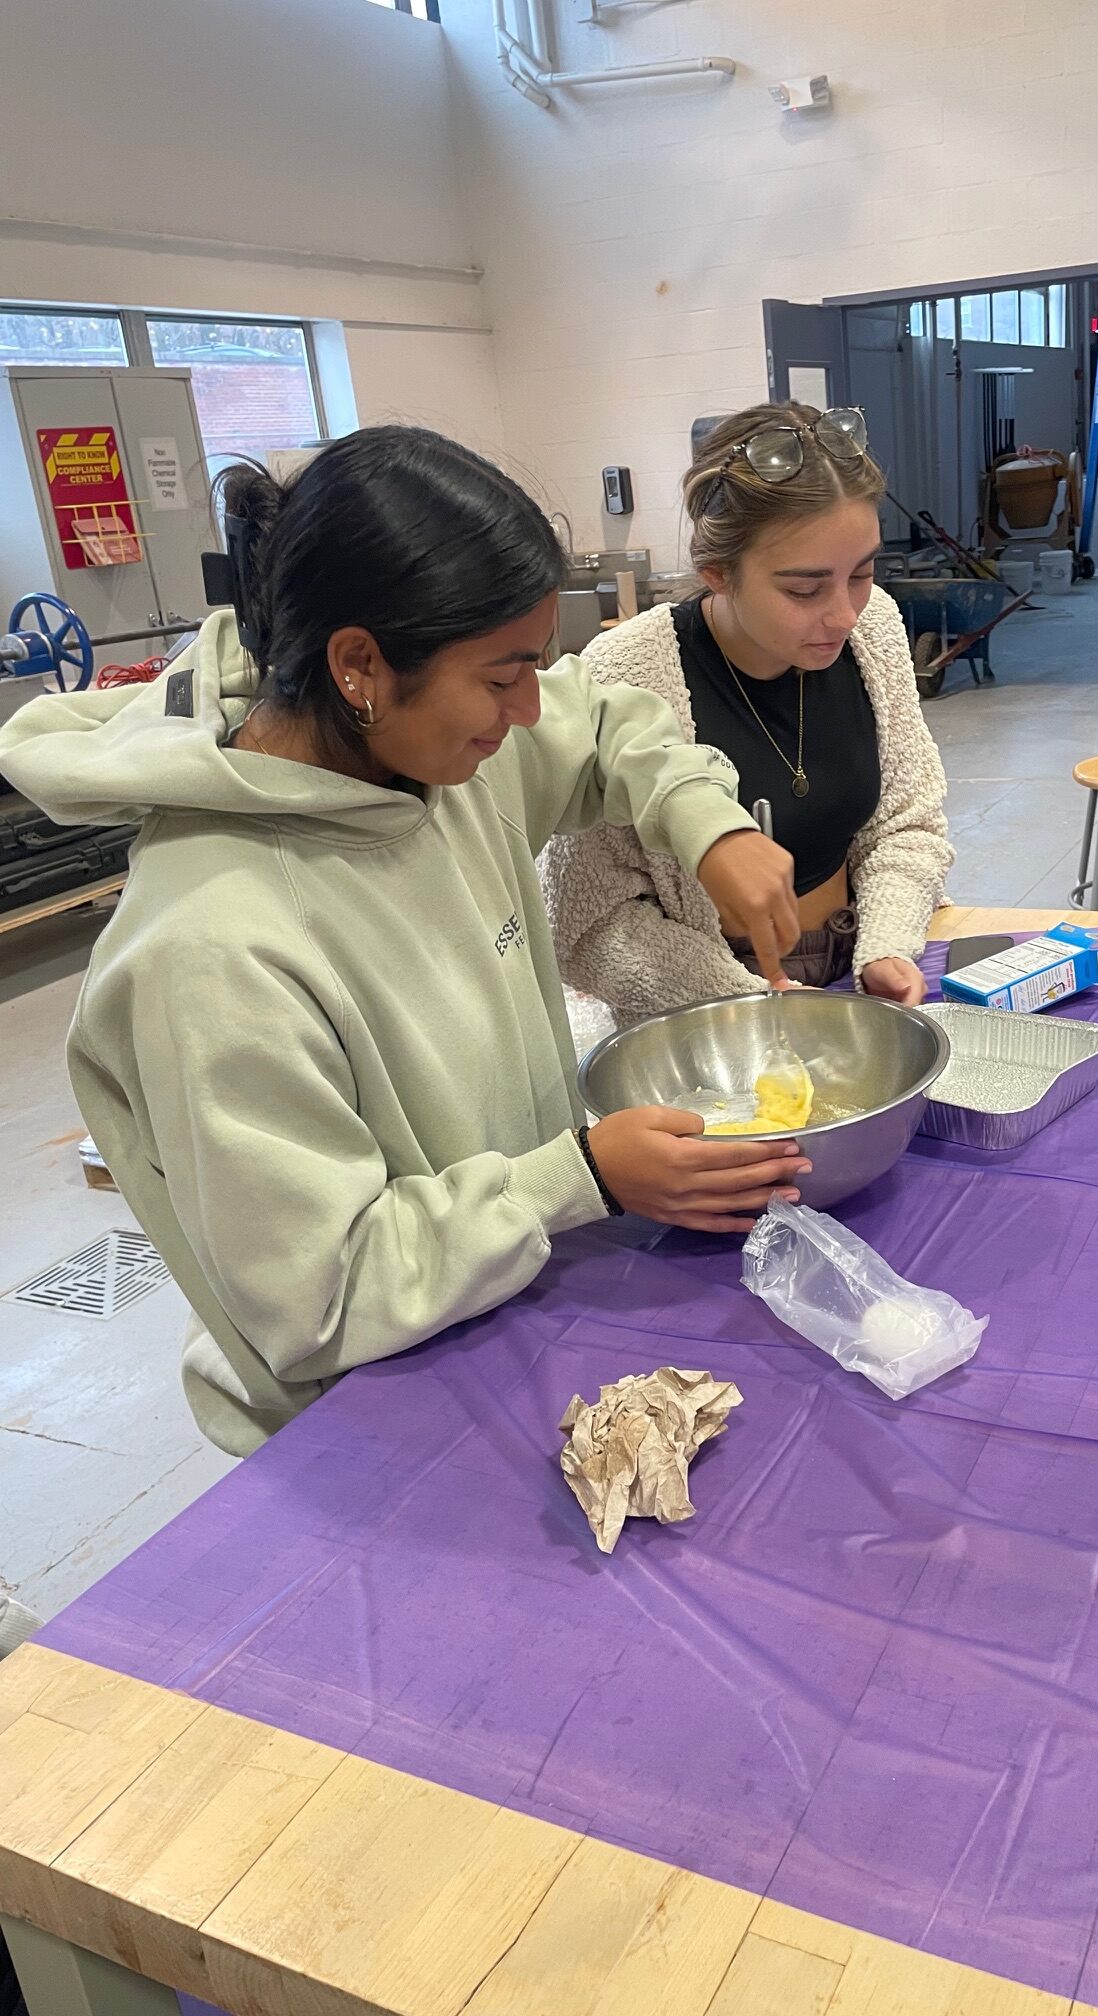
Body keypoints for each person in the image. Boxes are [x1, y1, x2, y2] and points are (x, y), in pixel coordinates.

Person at [0, 427, 813, 1458]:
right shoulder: (213, 945)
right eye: (502, 676)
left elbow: (606, 721)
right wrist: (582, 1178)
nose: (526, 713)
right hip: (369, 1417)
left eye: (535, 668)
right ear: (358, 665)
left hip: (511, 1299)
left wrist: (708, 819)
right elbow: (320, 1293)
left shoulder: (426, 756)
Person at [541, 403, 952, 1020]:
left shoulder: (875, 629)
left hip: (858, 969)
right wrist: (751, 1005)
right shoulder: (626, 673)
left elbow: (907, 821)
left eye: (863, 573)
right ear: (718, 574)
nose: (843, 613)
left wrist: (886, 948)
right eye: (804, 590)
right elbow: (590, 922)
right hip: (705, 1011)